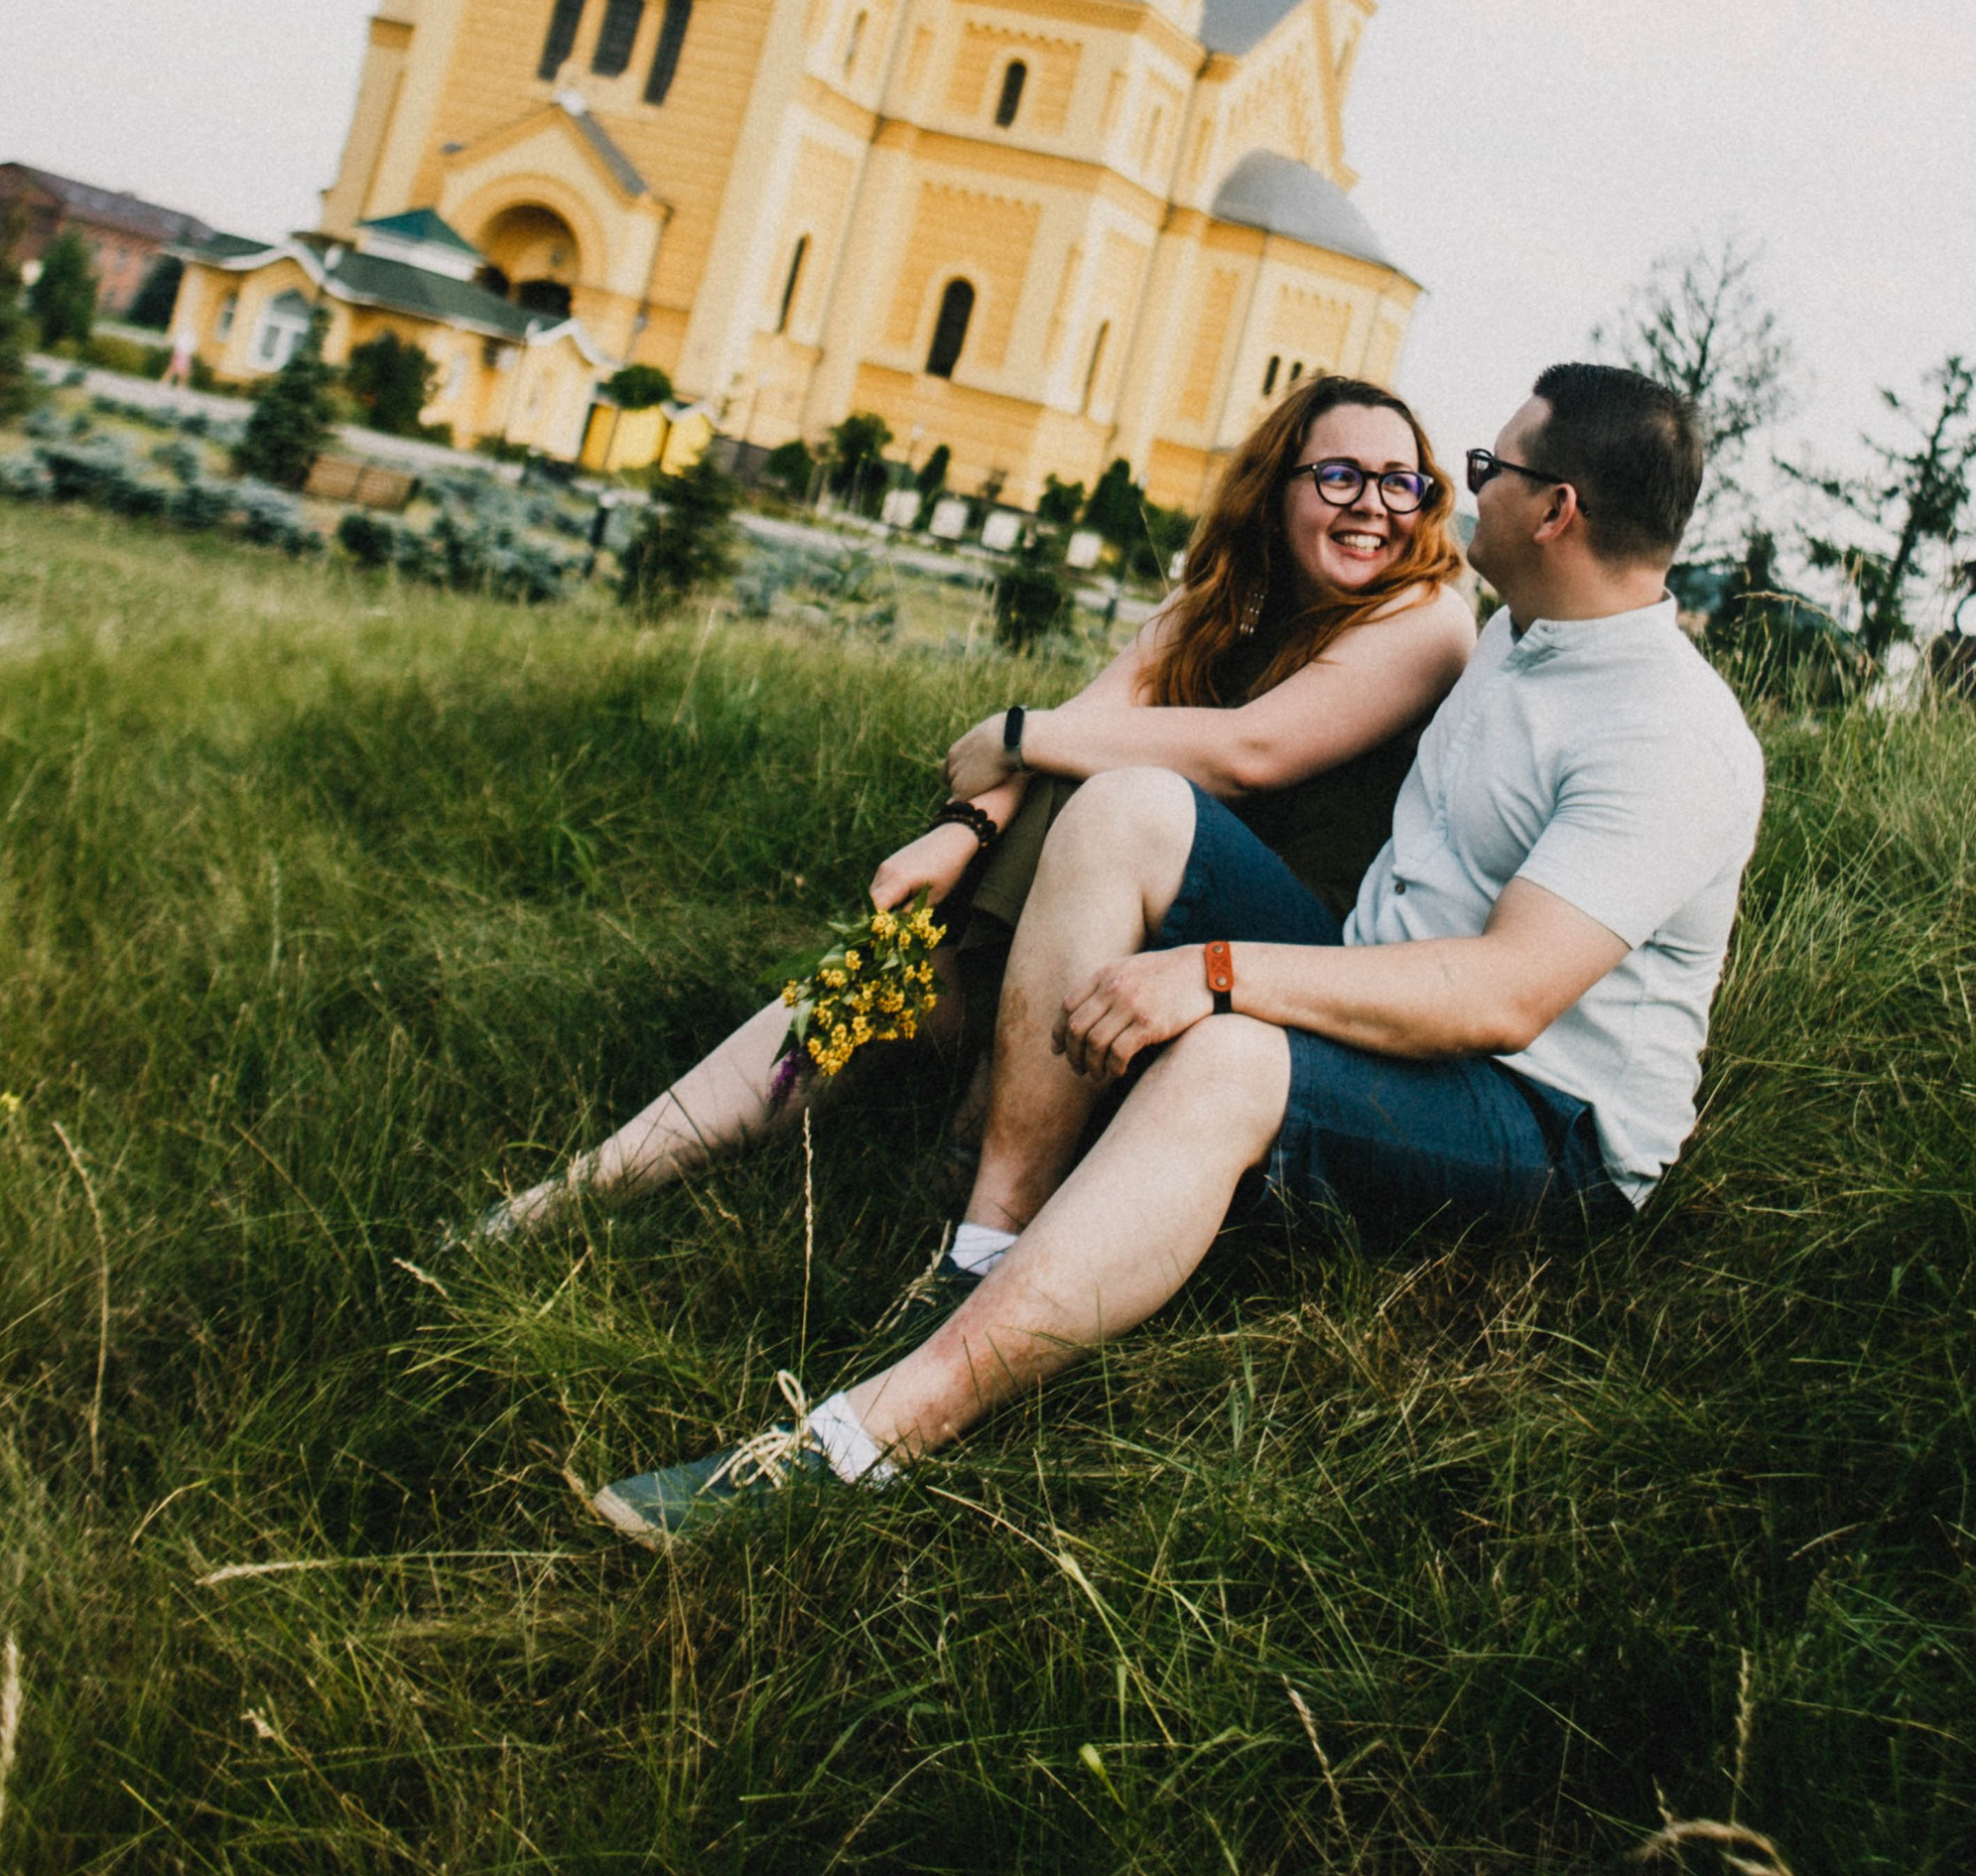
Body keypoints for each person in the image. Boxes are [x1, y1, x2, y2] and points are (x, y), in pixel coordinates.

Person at [591, 361, 1767, 1542]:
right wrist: (973, 822)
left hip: (1541, 1122)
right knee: (1127, 807)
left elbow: (1502, 998)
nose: (1450, 502)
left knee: (1229, 1057)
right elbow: (1120, 733)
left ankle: (862, 1441)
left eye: (1483, 473)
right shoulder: (1523, 635)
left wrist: (1211, 975)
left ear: (1554, 508)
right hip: (1377, 984)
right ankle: (985, 1248)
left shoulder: (1665, 737)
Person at [469, 379, 1476, 1242]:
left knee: (1116, 792)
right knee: (874, 981)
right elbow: (1091, 722)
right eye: (1340, 477)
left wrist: (1013, 733)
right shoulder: (1219, 605)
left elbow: (1250, 755)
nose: (1377, 508)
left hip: (1286, 955)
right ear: (1276, 491)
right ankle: (582, 1190)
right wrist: (970, 824)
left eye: (1403, 483)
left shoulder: (1426, 615)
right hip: (1123, 937)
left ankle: (974, 1162)